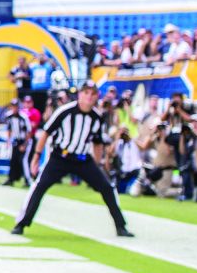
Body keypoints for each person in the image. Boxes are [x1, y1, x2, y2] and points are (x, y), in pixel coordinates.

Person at [12, 81, 134, 237]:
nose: (89, 97)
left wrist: (98, 165)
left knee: (107, 188)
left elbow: (97, 142)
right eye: (86, 93)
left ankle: (120, 226)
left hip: (83, 159)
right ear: (80, 94)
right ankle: (21, 223)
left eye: (93, 94)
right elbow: (46, 133)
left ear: (97, 96)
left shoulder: (96, 117)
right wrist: (36, 157)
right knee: (39, 186)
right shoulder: (65, 111)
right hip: (60, 157)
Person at [2, 98, 33, 187]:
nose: (14, 109)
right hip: (15, 141)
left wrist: (24, 144)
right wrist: (8, 141)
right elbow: (9, 129)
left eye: (16, 107)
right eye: (13, 107)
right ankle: (11, 179)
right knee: (13, 160)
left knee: (24, 160)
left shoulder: (23, 117)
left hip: (24, 141)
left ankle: (28, 179)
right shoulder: (9, 116)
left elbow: (29, 132)